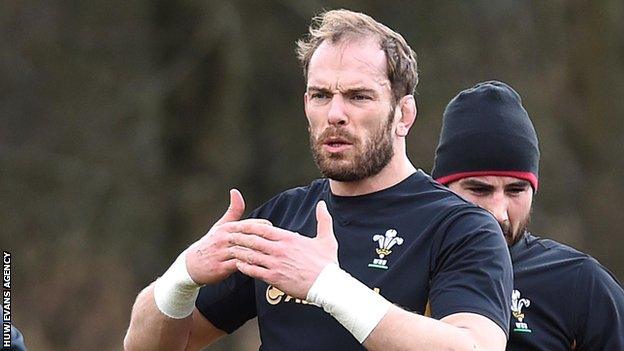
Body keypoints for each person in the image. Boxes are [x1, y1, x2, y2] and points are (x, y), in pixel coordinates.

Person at [124, 10, 513, 351]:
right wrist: (182, 276)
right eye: (321, 95)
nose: (336, 114)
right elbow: (149, 346)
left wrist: (327, 286)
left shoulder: (461, 228)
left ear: (403, 114)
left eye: (359, 97)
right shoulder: (280, 219)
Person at [432, 80, 624, 350]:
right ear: (441, 188)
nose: (498, 213)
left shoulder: (580, 284)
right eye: (479, 189)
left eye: (515, 190)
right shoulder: (408, 266)